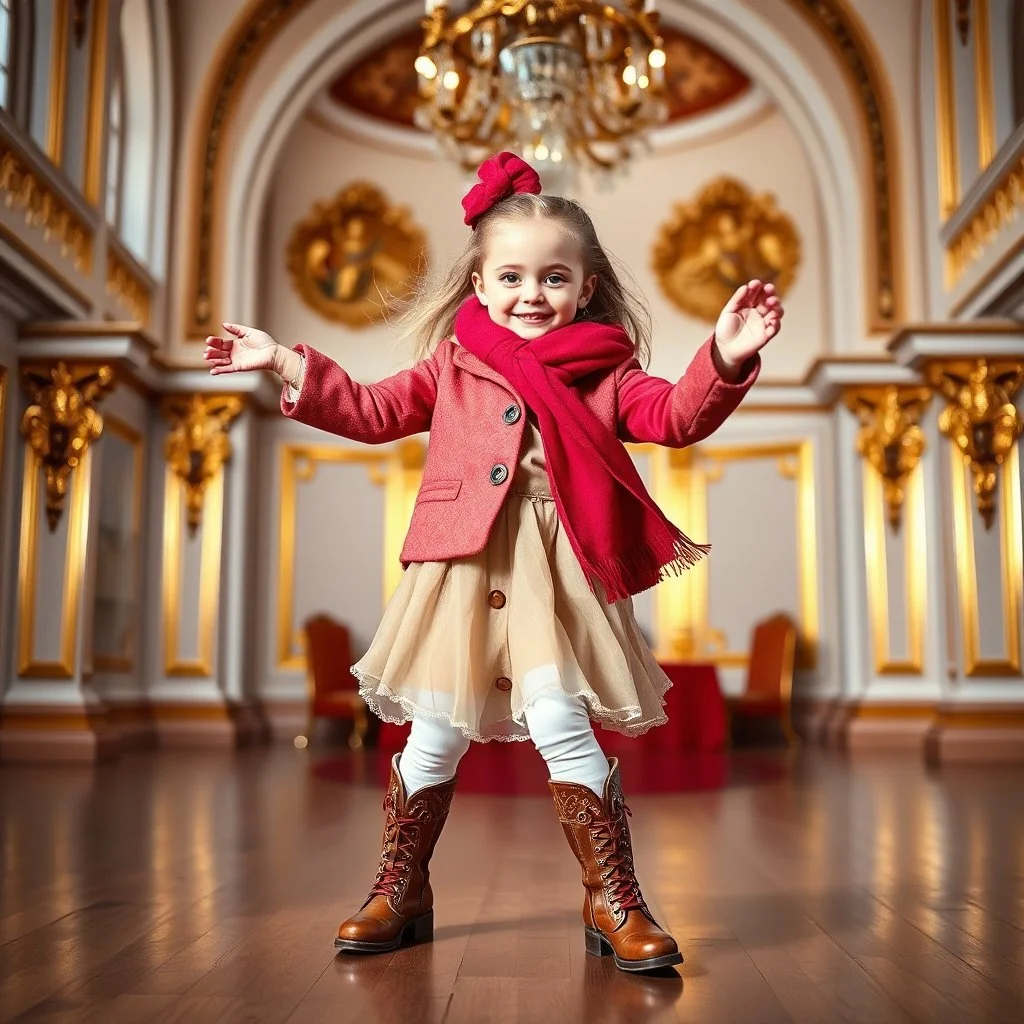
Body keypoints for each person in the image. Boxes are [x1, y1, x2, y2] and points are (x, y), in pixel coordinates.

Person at [203, 152, 783, 973]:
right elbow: (371, 410)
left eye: (554, 278)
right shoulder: (452, 364)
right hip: (462, 563)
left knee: (560, 720)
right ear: (479, 286)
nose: (531, 294)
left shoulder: (609, 369)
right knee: (435, 729)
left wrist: (723, 357)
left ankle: (612, 898)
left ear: (586, 288)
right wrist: (286, 364)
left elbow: (674, 418)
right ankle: (401, 886)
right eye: (511, 277)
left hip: (557, 567)